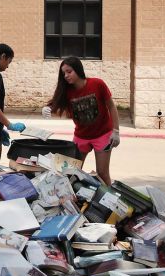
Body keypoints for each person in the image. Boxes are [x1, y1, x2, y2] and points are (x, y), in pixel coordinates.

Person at [42, 56, 120, 185]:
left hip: (102, 135)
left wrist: (116, 131)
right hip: (81, 137)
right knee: (72, 172)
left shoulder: (97, 84)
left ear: (78, 70)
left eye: (69, 71)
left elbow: (111, 106)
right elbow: (55, 105)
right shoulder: (66, 92)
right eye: (63, 73)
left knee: (102, 173)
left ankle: (109, 200)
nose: (66, 76)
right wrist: (46, 108)